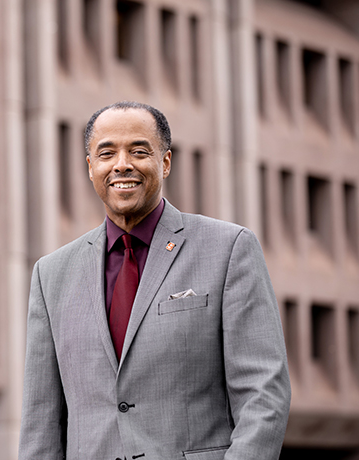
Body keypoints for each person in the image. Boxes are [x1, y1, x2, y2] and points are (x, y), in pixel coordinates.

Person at [19, 101, 291, 460]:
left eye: (138, 151)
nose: (122, 164)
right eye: (107, 153)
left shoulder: (229, 249)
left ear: (164, 162)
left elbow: (264, 394)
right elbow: (40, 424)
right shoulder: (51, 274)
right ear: (90, 167)